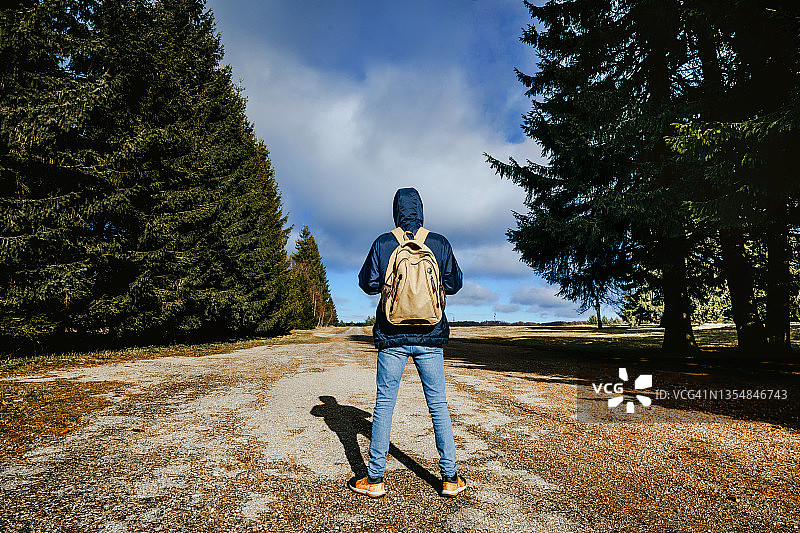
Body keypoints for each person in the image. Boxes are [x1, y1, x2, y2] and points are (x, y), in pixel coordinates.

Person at [351, 187, 465, 498]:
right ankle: (450, 477)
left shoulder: (384, 242)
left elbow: (367, 283)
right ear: (421, 209)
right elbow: (455, 284)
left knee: (384, 404)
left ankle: (374, 478)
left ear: (396, 211)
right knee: (438, 405)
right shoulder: (438, 242)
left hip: (392, 334)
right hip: (430, 335)